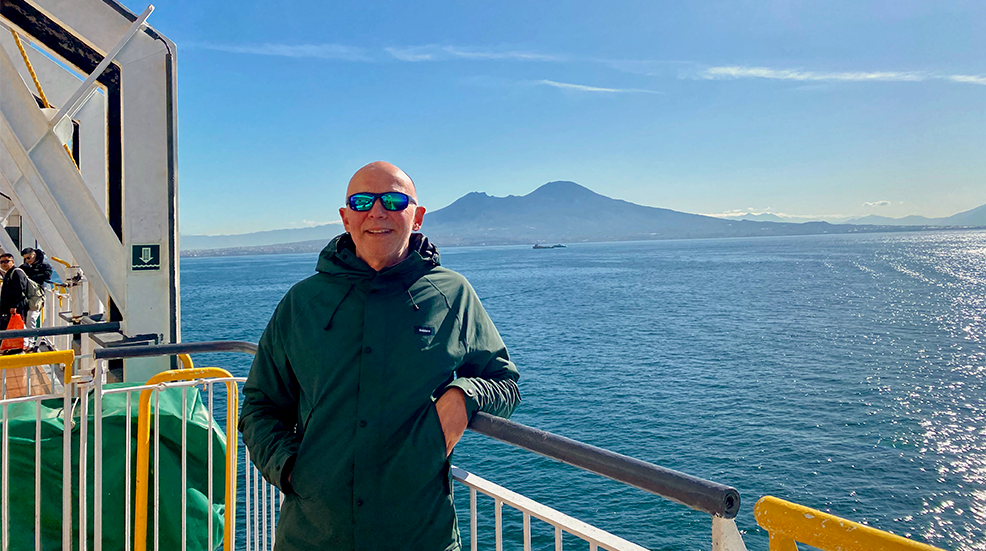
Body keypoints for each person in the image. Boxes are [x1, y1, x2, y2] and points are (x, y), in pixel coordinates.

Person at [240, 161, 521, 550]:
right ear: (345, 218)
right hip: (313, 536)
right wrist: (290, 470)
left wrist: (463, 396)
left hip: (419, 535)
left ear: (417, 217)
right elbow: (260, 404)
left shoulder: (451, 294)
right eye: (361, 202)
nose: (377, 211)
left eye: (393, 199)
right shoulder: (303, 302)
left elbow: (504, 382)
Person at [20, 247, 52, 349]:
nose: (27, 260)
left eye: (28, 258)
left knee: (31, 318)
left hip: (36, 295)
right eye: (25, 259)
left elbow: (47, 276)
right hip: (25, 295)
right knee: (24, 318)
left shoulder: (44, 266)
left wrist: (30, 278)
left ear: (34, 255)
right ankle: (27, 341)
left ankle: (30, 342)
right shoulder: (24, 267)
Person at [0, 253, 30, 339]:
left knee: (16, 326)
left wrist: (14, 306)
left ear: (12, 262)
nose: (4, 264)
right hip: (9, 306)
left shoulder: (16, 272)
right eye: (1, 262)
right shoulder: (8, 273)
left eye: (6, 261)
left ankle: (19, 346)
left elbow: (19, 290)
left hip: (16, 307)